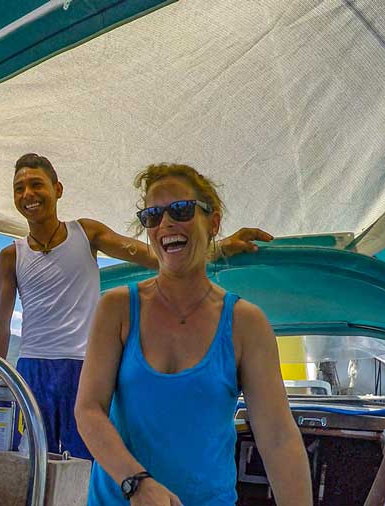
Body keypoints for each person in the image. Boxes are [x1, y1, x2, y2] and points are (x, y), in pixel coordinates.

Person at [0, 153, 271, 460]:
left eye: (36, 184)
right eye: (19, 188)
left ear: (57, 189)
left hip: (83, 368)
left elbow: (155, 256)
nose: (27, 194)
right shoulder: (11, 256)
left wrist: (221, 246)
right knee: (29, 464)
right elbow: (0, 326)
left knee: (85, 465)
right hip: (31, 370)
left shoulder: (87, 233)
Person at [76, 163, 311, 505]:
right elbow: (88, 410)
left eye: (181, 210)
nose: (166, 223)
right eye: (152, 215)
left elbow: (277, 437)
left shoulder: (246, 323)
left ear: (213, 222)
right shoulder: (116, 308)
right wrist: (137, 485)